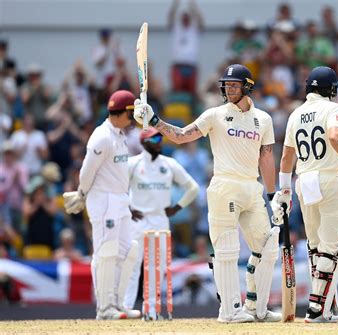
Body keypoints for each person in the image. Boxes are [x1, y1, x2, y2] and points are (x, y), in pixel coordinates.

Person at [133, 64, 281, 323]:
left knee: (267, 248)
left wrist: (273, 195)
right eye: (226, 85)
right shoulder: (215, 115)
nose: (228, 89)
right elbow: (180, 136)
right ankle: (229, 311)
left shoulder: (264, 120)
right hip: (225, 187)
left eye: (234, 85)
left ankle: (256, 308)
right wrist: (154, 120)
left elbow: (266, 158)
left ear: (247, 86)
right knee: (226, 250)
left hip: (252, 187)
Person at [270, 66, 338, 322]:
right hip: (328, 178)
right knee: (333, 247)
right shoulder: (332, 108)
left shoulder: (295, 113)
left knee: (315, 248)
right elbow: (334, 136)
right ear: (331, 89)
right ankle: (315, 309)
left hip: (304, 181)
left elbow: (286, 157)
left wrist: (284, 191)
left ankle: (329, 306)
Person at [62, 90, 141, 320]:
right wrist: (82, 193)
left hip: (120, 200)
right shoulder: (102, 136)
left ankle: (118, 304)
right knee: (106, 253)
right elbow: (87, 170)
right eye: (132, 113)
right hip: (103, 200)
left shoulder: (119, 135)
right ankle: (104, 308)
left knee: (128, 251)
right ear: (123, 112)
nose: (133, 119)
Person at [122, 128, 199, 316]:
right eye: (154, 138)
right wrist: (127, 209)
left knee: (157, 267)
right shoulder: (133, 163)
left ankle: (151, 310)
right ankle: (124, 308)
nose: (159, 142)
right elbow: (116, 187)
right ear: (144, 142)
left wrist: (177, 207)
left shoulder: (169, 164)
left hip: (160, 220)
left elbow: (193, 188)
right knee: (132, 266)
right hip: (137, 222)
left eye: (160, 138)